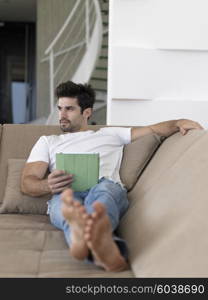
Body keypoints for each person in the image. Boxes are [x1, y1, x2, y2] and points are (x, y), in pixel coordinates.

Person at [21, 81, 203, 272]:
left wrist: (177, 123)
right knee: (65, 204)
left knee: (104, 193)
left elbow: (153, 129)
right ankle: (103, 247)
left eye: (69, 109)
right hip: (66, 191)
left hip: (104, 186)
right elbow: (27, 183)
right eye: (60, 109)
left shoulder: (111, 134)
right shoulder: (48, 142)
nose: (62, 115)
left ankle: (84, 236)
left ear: (87, 112)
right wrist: (47, 185)